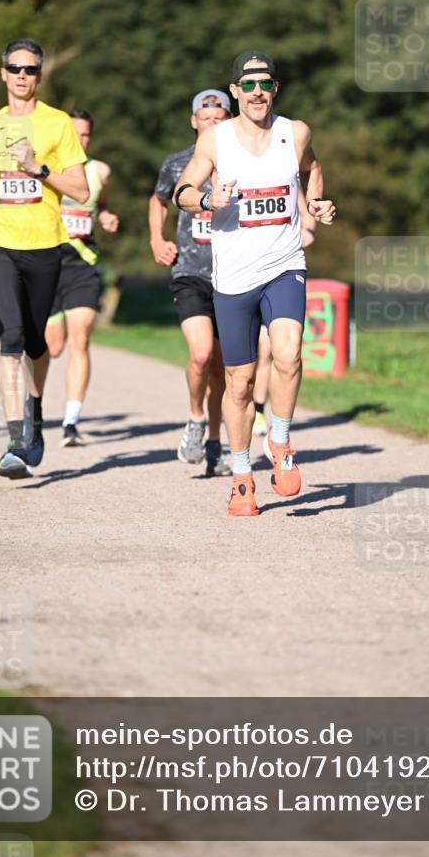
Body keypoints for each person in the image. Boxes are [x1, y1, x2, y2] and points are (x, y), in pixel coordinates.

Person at [173, 51, 336, 515]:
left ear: (275, 89)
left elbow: (313, 170)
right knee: (240, 382)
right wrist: (209, 199)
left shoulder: (295, 132)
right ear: (235, 91)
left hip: (284, 264)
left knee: (289, 354)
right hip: (234, 276)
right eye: (248, 84)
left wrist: (315, 205)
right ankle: (242, 476)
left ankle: (280, 441)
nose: (257, 91)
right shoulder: (216, 139)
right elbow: (181, 193)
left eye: (265, 83)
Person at [0, 38, 89, 479]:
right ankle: (15, 442)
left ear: (39, 75)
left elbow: (81, 190)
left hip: (45, 244)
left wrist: (38, 169)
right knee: (11, 336)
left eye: (30, 69)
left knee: (36, 343)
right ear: (3, 73)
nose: (21, 75)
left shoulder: (57, 123)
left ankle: (35, 409)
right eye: (15, 68)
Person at [149, 89, 233, 478]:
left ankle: (214, 443)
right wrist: (157, 239)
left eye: (220, 118)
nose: (212, 123)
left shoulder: (243, 161)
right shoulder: (177, 163)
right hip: (190, 273)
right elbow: (157, 201)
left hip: (233, 275)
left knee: (222, 368)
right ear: (194, 121)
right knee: (201, 355)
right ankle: (196, 417)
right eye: (206, 117)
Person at [44, 109, 119, 446]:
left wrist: (106, 217)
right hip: (48, 266)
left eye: (86, 134)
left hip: (83, 266)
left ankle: (71, 422)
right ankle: (33, 406)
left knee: (81, 337)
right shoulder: (45, 169)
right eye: (74, 133)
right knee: (52, 347)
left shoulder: (99, 171)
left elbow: (101, 203)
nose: (80, 140)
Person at [252, 190, 316, 436]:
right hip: (244, 273)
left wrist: (308, 230)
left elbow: (306, 207)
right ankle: (242, 403)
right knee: (245, 358)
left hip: (280, 274)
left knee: (267, 349)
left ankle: (260, 410)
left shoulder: (287, 175)